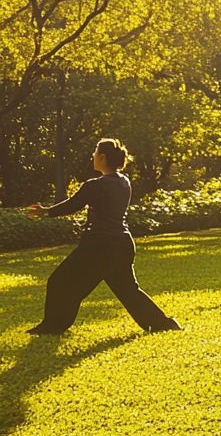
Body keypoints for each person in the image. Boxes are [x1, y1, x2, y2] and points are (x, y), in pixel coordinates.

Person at [23, 138, 182, 335]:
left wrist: (45, 211)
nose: (93, 156)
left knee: (59, 281)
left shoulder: (95, 185)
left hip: (100, 245)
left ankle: (52, 326)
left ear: (103, 157)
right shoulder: (124, 182)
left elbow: (72, 205)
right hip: (122, 244)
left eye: (95, 152)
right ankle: (165, 325)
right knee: (128, 290)